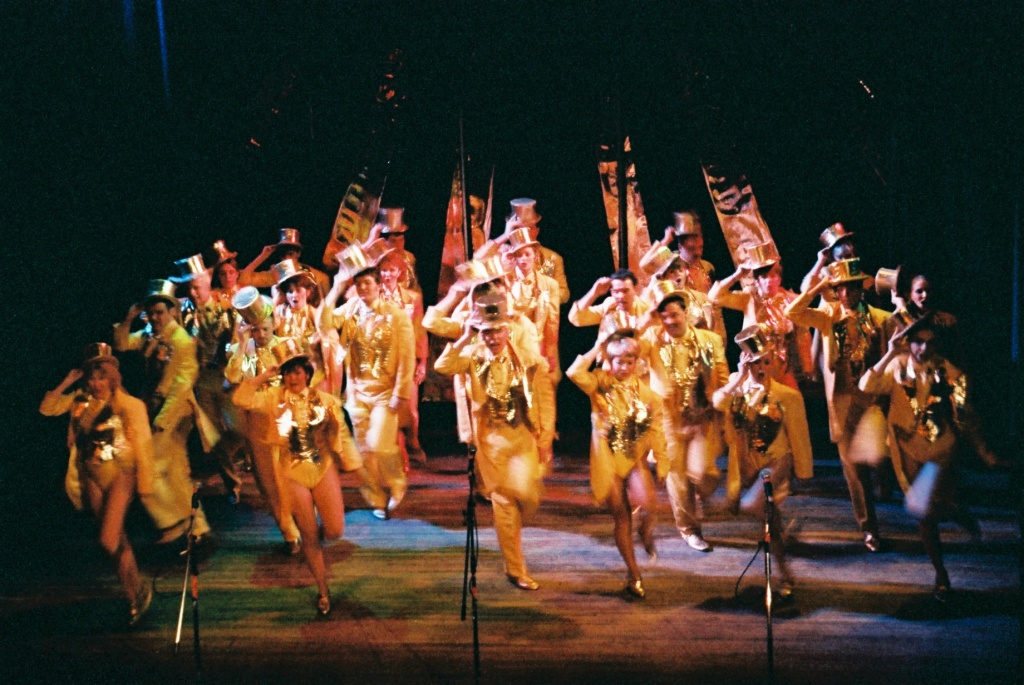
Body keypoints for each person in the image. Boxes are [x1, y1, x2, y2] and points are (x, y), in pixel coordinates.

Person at [858, 317, 998, 601]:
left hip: (940, 451)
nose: (923, 348)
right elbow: (866, 385)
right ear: (908, 343)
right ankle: (941, 575)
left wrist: (984, 452)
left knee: (932, 508)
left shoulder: (948, 372)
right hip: (907, 450)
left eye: (929, 342)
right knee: (921, 512)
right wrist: (889, 352)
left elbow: (966, 416)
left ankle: (955, 512)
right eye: (917, 342)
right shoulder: (897, 367)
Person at [435, 294, 555, 590]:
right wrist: (465, 337)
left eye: (497, 330)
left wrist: (545, 438)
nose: (493, 337)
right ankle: (516, 569)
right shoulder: (472, 356)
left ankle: (514, 548)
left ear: (507, 329)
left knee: (526, 498)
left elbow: (544, 398)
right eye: (487, 331)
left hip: (522, 436)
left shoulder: (527, 358)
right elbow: (442, 366)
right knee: (504, 503)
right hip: (491, 442)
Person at [233, 339, 361, 616]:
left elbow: (341, 434)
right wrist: (264, 376)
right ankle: (323, 590)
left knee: (335, 530)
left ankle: (316, 545)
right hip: (292, 472)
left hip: (322, 467)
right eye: (287, 372)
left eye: (297, 372)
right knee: (309, 536)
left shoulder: (326, 401)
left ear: (307, 373)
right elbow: (240, 399)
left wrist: (353, 465)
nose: (292, 378)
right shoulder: (273, 399)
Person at [40, 345, 156, 625]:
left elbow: (143, 445)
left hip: (121, 474)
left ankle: (139, 588)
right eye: (91, 377)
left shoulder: (128, 405)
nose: (95, 383)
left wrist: (145, 484)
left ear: (112, 377)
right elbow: (47, 408)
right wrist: (67, 382)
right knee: (117, 540)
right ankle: (136, 594)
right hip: (92, 476)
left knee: (108, 539)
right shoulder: (80, 401)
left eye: (101, 377)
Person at [785, 257, 889, 551]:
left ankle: (887, 483)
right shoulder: (828, 316)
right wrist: (818, 287)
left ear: (860, 289)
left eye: (851, 288)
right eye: (840, 288)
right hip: (842, 400)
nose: (845, 294)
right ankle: (869, 528)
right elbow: (793, 312)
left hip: (871, 400)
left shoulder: (879, 318)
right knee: (853, 470)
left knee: (880, 460)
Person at [712, 326, 814, 599]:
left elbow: (799, 435)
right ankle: (785, 575)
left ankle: (783, 574)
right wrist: (738, 378)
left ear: (773, 363)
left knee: (753, 505)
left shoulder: (787, 395)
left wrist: (803, 471)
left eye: (765, 362)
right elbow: (718, 402)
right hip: (748, 463)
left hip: (777, 460)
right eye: (755, 362)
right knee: (771, 523)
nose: (761, 368)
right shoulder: (737, 388)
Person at [567, 331, 668, 598]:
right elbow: (574, 373)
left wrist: (662, 461)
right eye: (617, 361)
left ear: (636, 362)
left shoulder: (649, 396)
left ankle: (646, 532)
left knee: (649, 506)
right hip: (607, 459)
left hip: (634, 458)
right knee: (622, 516)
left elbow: (657, 431)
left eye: (628, 361)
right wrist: (596, 347)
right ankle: (634, 574)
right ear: (609, 361)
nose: (623, 367)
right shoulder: (599, 383)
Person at [113, 279, 212, 543]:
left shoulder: (181, 341)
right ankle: (196, 525)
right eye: (151, 312)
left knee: (150, 465)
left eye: (159, 312)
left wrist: (162, 420)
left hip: (175, 412)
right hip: (157, 408)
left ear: (172, 312)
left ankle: (171, 522)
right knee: (177, 471)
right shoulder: (149, 335)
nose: (155, 317)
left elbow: (182, 384)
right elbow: (121, 343)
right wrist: (128, 319)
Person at [322, 241, 415, 519]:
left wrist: (401, 392)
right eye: (359, 283)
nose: (363, 288)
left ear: (378, 285)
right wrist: (337, 286)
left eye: (368, 283)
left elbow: (407, 356)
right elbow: (324, 323)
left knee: (380, 443)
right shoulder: (351, 308)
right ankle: (375, 497)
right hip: (357, 392)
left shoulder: (396, 316)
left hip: (385, 392)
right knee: (363, 451)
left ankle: (396, 483)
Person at [639, 281, 729, 552]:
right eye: (663, 316)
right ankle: (690, 530)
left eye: (674, 315)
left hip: (701, 416)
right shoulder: (652, 340)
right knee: (677, 477)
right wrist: (647, 321)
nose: (669, 321)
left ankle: (700, 494)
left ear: (686, 313)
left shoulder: (710, 340)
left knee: (704, 475)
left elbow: (722, 376)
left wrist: (723, 410)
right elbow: (628, 346)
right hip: (668, 419)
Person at [224, 287, 303, 554]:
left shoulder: (286, 346)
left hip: (288, 419)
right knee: (269, 482)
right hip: (259, 423)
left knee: (294, 475)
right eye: (255, 330)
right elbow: (234, 378)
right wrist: (241, 343)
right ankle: (288, 532)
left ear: (274, 325)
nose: (261, 335)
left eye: (265, 329)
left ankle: (303, 519)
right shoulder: (244, 350)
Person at [171, 253, 245, 503]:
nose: (193, 293)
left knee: (238, 430)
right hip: (201, 380)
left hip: (225, 377)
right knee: (213, 436)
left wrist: (233, 363)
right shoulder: (183, 312)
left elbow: (237, 342)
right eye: (189, 288)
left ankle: (221, 464)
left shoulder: (226, 308)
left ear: (206, 284)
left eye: (196, 287)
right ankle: (232, 484)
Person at [708, 243, 813, 389]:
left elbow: (803, 333)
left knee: (794, 400)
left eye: (773, 276)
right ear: (757, 280)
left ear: (779, 278)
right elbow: (714, 296)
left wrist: (807, 366)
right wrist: (737, 275)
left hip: (781, 368)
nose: (769, 281)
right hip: (755, 369)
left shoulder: (789, 300)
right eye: (764, 277)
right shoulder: (748, 299)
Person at [377, 249, 428, 464]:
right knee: (387, 410)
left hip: (406, 360)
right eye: (384, 270)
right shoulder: (372, 296)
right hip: (381, 360)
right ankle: (396, 453)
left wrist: (422, 362)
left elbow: (419, 330)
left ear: (400, 272)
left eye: (392, 270)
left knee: (410, 412)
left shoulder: (412, 298)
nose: (387, 275)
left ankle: (412, 441)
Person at [504, 227, 562, 385]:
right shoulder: (504, 281)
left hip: (535, 343)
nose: (523, 259)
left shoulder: (549, 284)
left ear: (535, 256)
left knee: (536, 386)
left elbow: (552, 321)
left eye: (527, 254)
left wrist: (550, 353)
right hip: (510, 342)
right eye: (518, 255)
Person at [505, 197, 569, 303]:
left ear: (537, 231)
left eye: (528, 228)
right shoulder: (501, 255)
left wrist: (541, 297)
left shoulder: (552, 258)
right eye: (518, 229)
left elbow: (564, 293)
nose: (523, 233)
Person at [239, 228, 331, 299]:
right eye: (283, 255)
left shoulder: (319, 278)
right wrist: (262, 256)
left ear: (298, 253)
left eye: (290, 254)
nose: (286, 258)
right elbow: (243, 280)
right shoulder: (276, 274)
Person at [568, 268, 650, 335]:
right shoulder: (609, 306)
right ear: (611, 292)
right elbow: (577, 318)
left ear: (635, 290)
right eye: (616, 292)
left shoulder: (646, 310)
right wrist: (594, 293)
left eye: (625, 291)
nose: (621, 296)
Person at [374, 207, 422, 294]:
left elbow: (415, 287)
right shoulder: (376, 261)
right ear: (384, 242)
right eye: (393, 241)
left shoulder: (409, 258)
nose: (398, 245)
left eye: (401, 240)